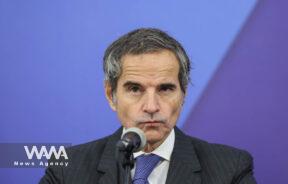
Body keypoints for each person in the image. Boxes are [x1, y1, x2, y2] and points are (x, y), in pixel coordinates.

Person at [39, 28, 257, 184]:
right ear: (110, 95)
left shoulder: (230, 169)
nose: (151, 106)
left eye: (165, 89)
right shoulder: (67, 168)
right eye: (135, 89)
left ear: (183, 94)